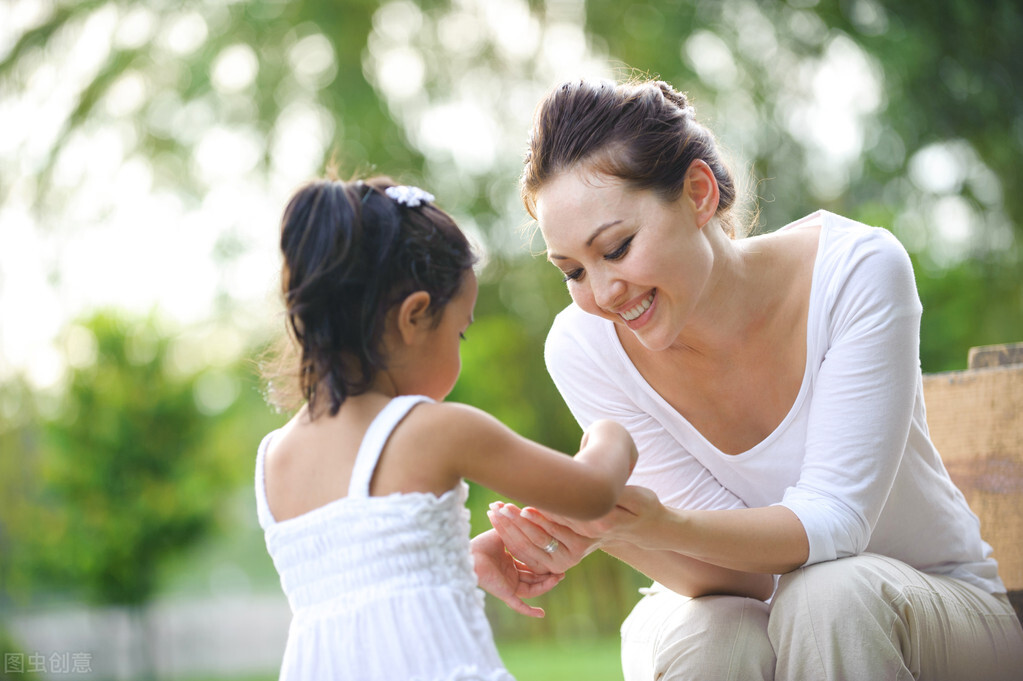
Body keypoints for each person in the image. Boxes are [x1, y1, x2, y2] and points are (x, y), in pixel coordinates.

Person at [487, 77, 1023, 680]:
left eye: (616, 248)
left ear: (698, 193)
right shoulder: (583, 347)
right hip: (748, 606)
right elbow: (740, 578)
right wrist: (602, 528)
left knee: (830, 598)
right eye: (573, 272)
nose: (604, 293)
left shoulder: (856, 271)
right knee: (711, 634)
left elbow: (835, 523)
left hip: (937, 605)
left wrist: (657, 526)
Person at [254, 175, 638, 680]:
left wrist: (460, 560)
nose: (459, 347)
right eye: (459, 332)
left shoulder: (274, 457)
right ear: (414, 317)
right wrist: (615, 430)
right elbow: (591, 493)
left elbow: (367, 581)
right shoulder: (433, 430)